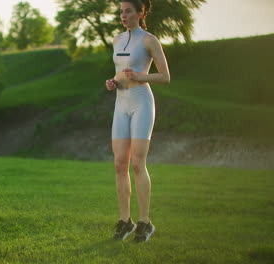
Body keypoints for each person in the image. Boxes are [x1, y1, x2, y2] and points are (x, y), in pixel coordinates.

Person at [105, 0, 170, 243]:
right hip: (120, 104)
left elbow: (165, 76)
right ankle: (125, 222)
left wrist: (140, 76)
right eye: (121, 11)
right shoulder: (116, 40)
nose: (123, 15)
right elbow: (119, 71)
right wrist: (113, 82)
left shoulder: (149, 40)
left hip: (142, 103)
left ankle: (145, 223)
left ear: (140, 13)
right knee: (120, 164)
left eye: (128, 11)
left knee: (137, 164)